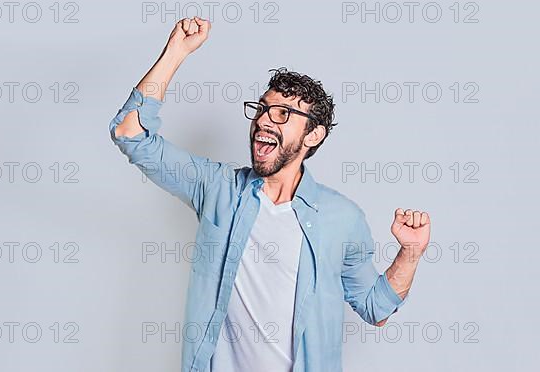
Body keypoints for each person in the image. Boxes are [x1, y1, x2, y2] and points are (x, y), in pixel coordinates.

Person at [109, 16, 431, 372]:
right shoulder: (218, 190)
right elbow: (131, 134)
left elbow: (376, 309)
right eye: (262, 109)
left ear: (313, 136)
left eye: (282, 114)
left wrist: (411, 253)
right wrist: (176, 51)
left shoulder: (342, 218)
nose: (263, 121)